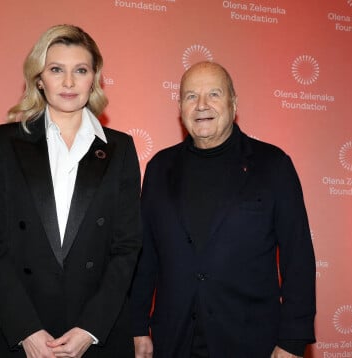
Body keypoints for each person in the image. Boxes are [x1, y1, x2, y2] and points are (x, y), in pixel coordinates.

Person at [0, 24, 142, 358]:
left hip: (97, 334)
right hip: (20, 331)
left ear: (93, 78)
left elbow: (127, 245)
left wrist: (90, 329)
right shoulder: (4, 142)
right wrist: (27, 331)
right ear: (39, 78)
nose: (68, 82)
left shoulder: (120, 149)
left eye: (80, 70)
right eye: (56, 70)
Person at [130, 61, 316, 358]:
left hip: (251, 341)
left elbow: (299, 258)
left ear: (234, 102)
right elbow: (145, 256)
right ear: (180, 107)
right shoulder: (159, 168)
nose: (202, 105)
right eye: (191, 96)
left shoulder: (273, 165)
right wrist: (137, 326)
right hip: (174, 339)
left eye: (214, 94)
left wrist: (293, 341)